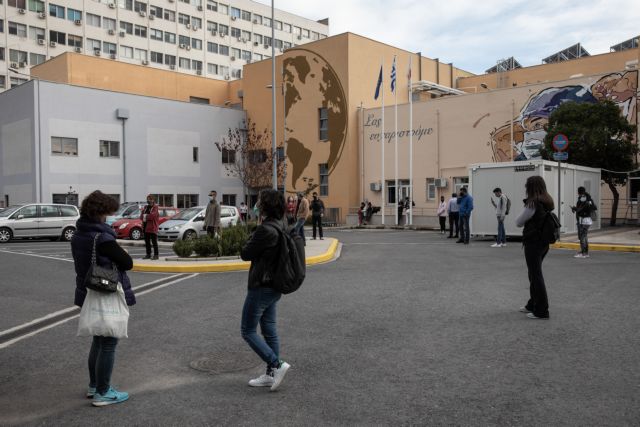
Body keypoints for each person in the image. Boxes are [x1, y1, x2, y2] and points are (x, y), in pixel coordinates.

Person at [71, 190, 136, 406]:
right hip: (106, 291)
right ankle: (103, 392)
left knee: (98, 339)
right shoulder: (103, 238)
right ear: (100, 213)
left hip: (88, 290)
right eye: (108, 213)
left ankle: (94, 386)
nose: (110, 217)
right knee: (108, 341)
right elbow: (127, 263)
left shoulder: (79, 233)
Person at [240, 188, 291, 391]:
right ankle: (271, 374)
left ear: (266, 206)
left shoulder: (265, 230)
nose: (257, 204)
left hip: (261, 286)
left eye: (259, 201)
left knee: (247, 330)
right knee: (269, 330)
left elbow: (245, 253)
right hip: (274, 285)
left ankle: (276, 364)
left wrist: (254, 232)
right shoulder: (281, 224)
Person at [515, 176, 554, 319]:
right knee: (533, 274)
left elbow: (518, 222)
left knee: (535, 275)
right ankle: (532, 304)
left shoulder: (533, 203)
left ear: (530, 187)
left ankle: (542, 310)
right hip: (543, 242)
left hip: (533, 242)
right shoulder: (547, 200)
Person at [571, 186, 595, 258]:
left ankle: (583, 253)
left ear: (579, 192)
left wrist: (575, 208)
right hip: (587, 220)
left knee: (582, 237)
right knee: (584, 236)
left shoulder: (583, 198)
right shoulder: (589, 198)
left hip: (583, 220)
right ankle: (585, 252)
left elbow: (581, 209)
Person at [140, 195, 159, 259]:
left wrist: (145, 216)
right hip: (145, 227)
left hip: (152, 227)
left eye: (150, 199)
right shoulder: (146, 207)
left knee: (154, 242)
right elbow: (141, 217)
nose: (149, 200)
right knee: (147, 242)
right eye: (148, 199)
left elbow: (152, 216)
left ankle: (156, 255)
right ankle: (148, 254)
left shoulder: (155, 207)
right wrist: (146, 216)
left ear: (153, 200)